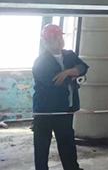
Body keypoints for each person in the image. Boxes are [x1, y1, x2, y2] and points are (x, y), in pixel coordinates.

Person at [32, 23, 89, 170]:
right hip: (45, 111)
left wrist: (67, 72)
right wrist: (73, 73)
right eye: (54, 38)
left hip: (65, 110)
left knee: (67, 142)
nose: (58, 40)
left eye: (59, 37)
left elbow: (83, 67)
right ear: (46, 41)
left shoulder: (69, 55)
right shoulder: (41, 62)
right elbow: (55, 82)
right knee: (42, 146)